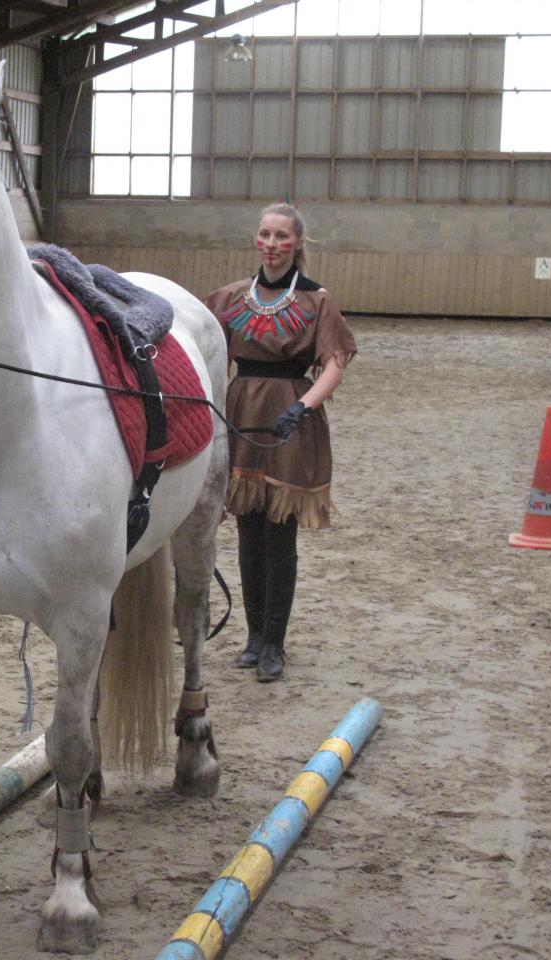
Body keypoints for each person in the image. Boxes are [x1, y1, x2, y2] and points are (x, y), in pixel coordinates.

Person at [203, 203, 357, 682]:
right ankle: (252, 638)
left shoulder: (316, 302)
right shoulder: (229, 298)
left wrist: (304, 405)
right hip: (241, 415)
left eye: (281, 237)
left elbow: (336, 359)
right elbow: (205, 350)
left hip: (290, 417)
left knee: (279, 533)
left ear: (297, 244)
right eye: (265, 235)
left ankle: (275, 643)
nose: (271, 244)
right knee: (248, 530)